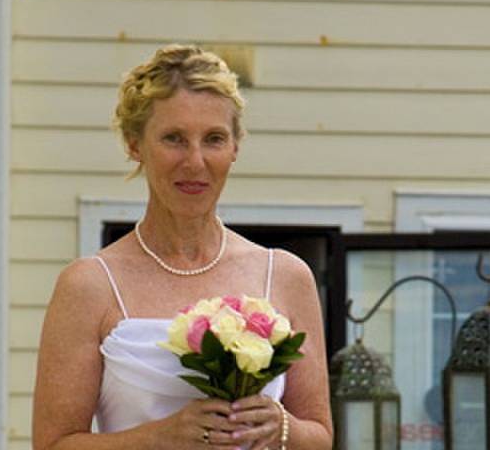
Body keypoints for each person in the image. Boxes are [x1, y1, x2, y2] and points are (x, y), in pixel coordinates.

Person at [32, 45, 333, 450]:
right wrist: (158, 438)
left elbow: (320, 436)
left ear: (235, 148)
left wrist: (281, 426)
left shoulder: (285, 275)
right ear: (134, 145)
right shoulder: (88, 286)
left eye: (213, 139)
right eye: (174, 139)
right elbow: (53, 445)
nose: (195, 161)